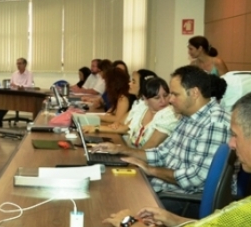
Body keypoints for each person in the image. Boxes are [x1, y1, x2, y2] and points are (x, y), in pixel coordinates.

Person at [93, 65, 230, 217]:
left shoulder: (214, 123)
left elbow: (194, 178)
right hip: (164, 188)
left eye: (174, 94)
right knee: (108, 185)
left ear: (194, 93)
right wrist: (121, 150)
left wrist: (150, 169)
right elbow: (162, 153)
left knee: (114, 201)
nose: (170, 100)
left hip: (182, 199)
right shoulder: (188, 116)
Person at [102, 92, 251, 227]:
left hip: (181, 195)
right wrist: (174, 220)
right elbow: (212, 224)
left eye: (235, 135)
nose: (230, 144)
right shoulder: (186, 118)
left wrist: (128, 222)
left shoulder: (245, 211)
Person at [86, 74, 180, 150]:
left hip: (145, 162)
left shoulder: (170, 114)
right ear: (145, 99)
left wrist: (120, 150)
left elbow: (148, 149)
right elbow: (125, 128)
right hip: (132, 153)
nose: (163, 101)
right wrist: (95, 128)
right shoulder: (142, 107)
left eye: (166, 95)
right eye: (157, 98)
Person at [0, 58, 34, 127]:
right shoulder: (14, 74)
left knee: (7, 103)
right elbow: (11, 85)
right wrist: (15, 86)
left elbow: (29, 85)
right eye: (17, 63)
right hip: (13, 94)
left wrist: (18, 86)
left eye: (20, 63)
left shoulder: (29, 74)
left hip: (24, 96)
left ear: (25, 64)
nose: (18, 65)